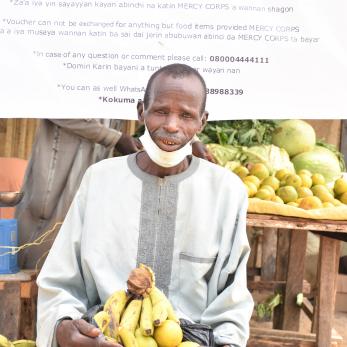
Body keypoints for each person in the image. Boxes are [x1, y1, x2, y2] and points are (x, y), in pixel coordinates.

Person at [36, 64, 253, 347]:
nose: (172, 125)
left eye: (186, 115)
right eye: (161, 110)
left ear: (202, 121)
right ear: (141, 111)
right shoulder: (100, 180)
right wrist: (64, 328)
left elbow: (232, 302)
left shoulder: (226, 191)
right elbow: (60, 284)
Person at [15, 119, 142, 269]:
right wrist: (115, 138)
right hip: (54, 173)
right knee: (43, 238)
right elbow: (54, 108)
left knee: (82, 239)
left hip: (94, 175)